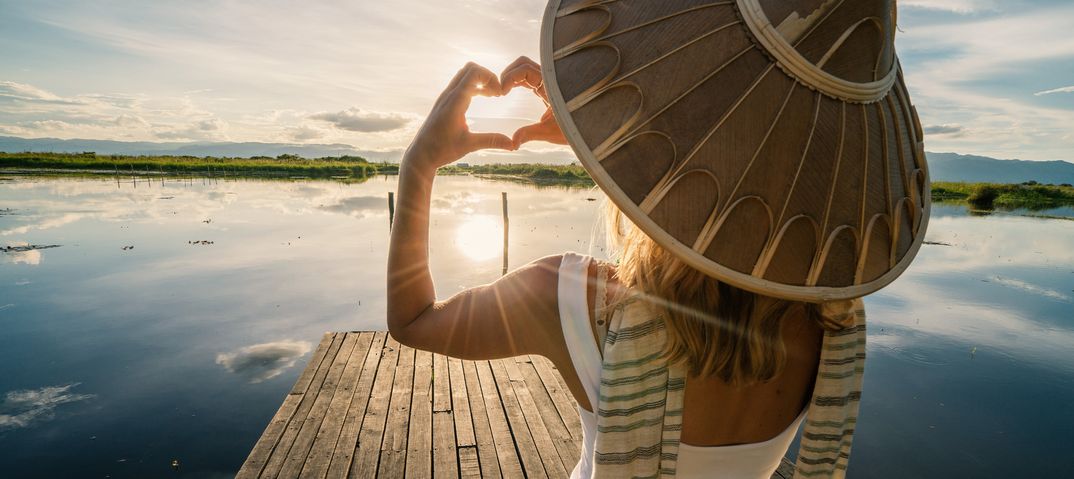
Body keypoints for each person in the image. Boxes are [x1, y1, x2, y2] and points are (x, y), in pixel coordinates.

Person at [388, 2, 928, 477]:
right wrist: (599, 136)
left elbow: (414, 321)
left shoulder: (570, 298)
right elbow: (754, 185)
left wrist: (419, 164)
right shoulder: (828, 319)